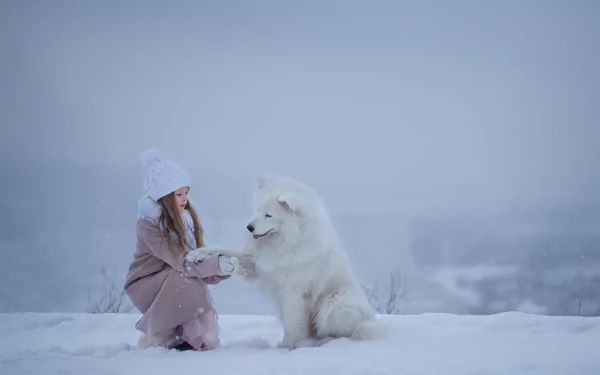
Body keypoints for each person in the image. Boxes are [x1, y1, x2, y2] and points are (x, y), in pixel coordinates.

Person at [124, 148, 238, 351]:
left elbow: (197, 263)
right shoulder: (150, 224)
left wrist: (220, 268)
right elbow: (184, 261)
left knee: (186, 277)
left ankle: (186, 338)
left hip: (171, 274)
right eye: (178, 194)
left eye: (186, 192)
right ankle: (171, 338)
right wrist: (215, 264)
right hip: (146, 282)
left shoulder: (184, 220)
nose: (185, 198)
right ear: (165, 196)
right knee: (184, 278)